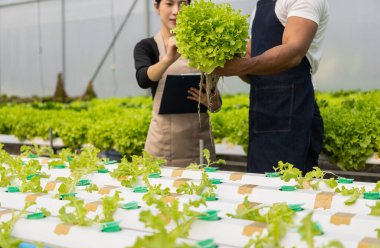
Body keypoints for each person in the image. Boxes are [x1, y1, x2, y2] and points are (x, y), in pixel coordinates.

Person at [214, 0, 329, 173]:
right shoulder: (261, 6)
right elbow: (252, 68)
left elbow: (294, 53)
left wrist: (239, 66)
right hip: (262, 113)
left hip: (294, 111)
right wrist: (220, 58)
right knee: (259, 188)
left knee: (290, 187)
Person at [134, 0, 221, 167]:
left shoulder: (204, 47)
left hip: (200, 146)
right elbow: (143, 79)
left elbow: (215, 100)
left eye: (183, 4)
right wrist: (167, 59)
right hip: (162, 145)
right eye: (169, 4)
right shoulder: (147, 46)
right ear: (156, 6)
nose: (177, 11)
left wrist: (212, 102)